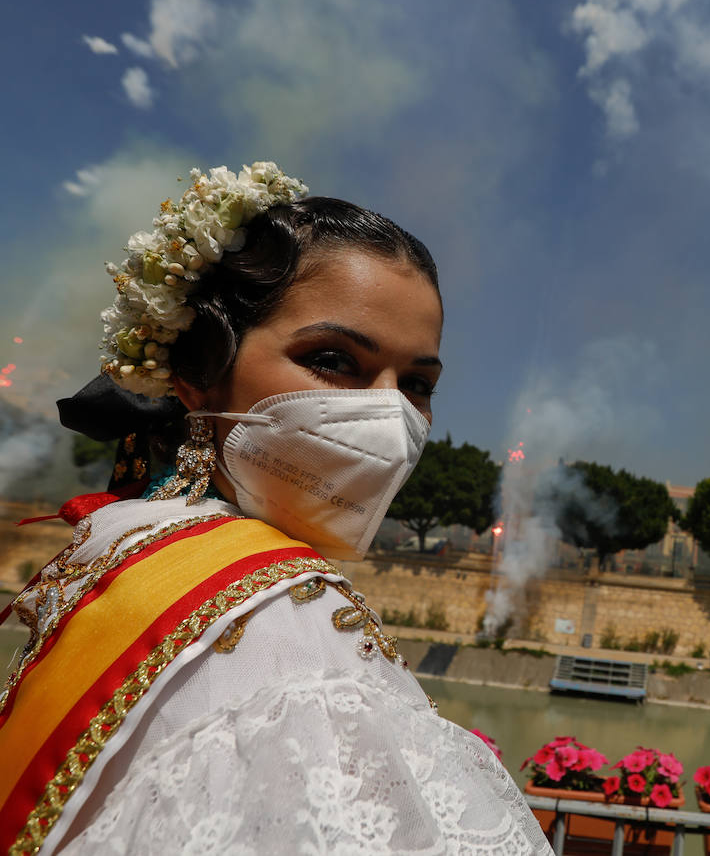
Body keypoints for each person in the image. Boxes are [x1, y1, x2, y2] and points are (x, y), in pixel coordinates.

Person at [0, 164, 552, 854]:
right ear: (197, 373)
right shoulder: (287, 627)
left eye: (416, 383)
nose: (388, 414)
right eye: (332, 359)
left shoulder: (125, 543)